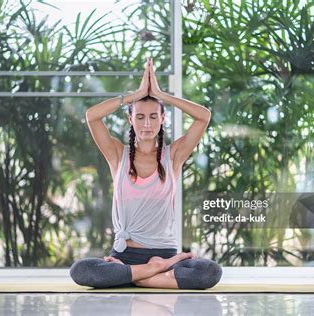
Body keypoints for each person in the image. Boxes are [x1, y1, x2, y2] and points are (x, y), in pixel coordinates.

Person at [69, 58, 222, 289]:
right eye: (140, 117)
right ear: (130, 119)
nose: (147, 124)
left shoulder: (173, 156)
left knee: (210, 272)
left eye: (153, 116)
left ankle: (136, 277)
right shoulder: (117, 155)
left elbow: (203, 116)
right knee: (80, 271)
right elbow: (92, 116)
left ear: (162, 119)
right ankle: (153, 273)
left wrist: (161, 94)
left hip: (165, 253)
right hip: (125, 255)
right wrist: (137, 94)